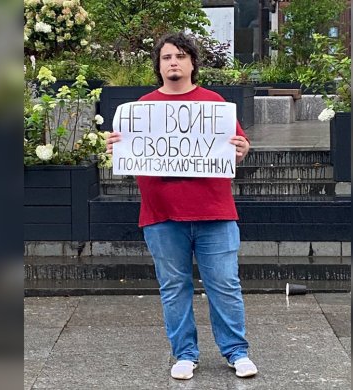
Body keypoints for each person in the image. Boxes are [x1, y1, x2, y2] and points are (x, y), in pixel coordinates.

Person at [106, 32, 257, 380]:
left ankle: (237, 352)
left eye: (180, 56)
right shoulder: (139, 110)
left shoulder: (214, 105)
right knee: (174, 287)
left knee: (225, 284)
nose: (173, 62)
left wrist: (242, 149)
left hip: (215, 213)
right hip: (161, 215)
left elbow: (238, 144)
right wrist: (118, 148)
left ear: (192, 63)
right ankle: (185, 354)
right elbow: (131, 156)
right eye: (166, 57)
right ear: (158, 65)